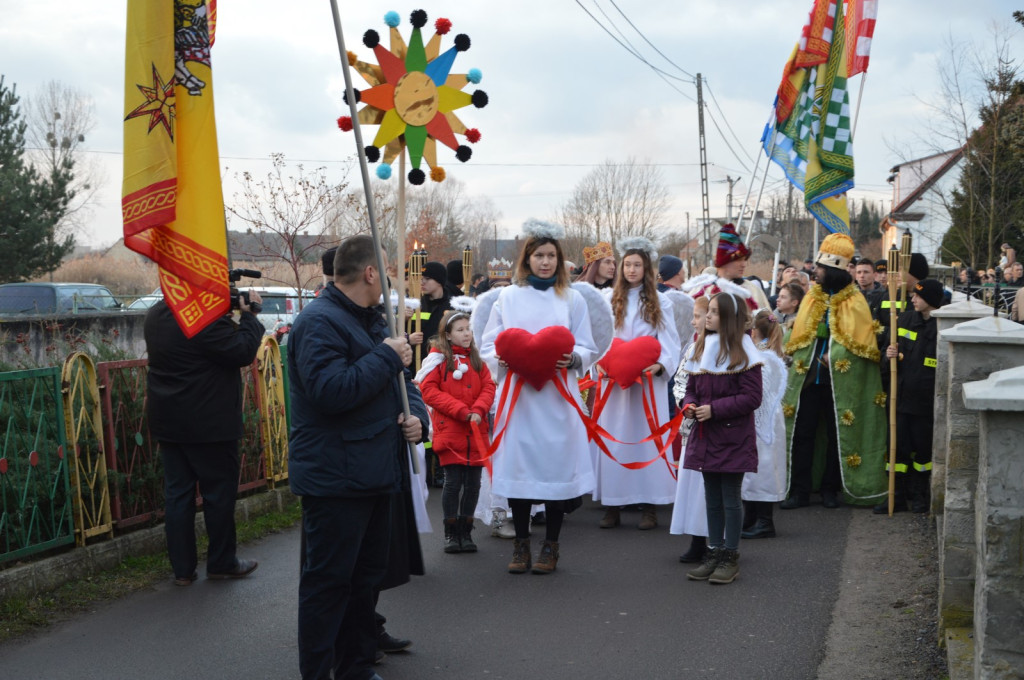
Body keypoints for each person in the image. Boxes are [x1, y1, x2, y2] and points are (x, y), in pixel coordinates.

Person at [288, 235, 427, 680]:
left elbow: (405, 384)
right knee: (329, 584)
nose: (389, 280)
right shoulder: (320, 322)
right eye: (386, 271)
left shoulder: (371, 320)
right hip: (336, 477)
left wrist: (417, 419)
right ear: (370, 273)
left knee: (365, 581)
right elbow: (331, 391)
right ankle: (318, 671)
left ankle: (358, 668)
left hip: (376, 470)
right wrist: (386, 356)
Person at [480, 218, 599, 575]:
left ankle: (551, 544)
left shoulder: (572, 298)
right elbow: (488, 342)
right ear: (527, 259)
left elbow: (587, 344)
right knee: (520, 467)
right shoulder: (508, 297)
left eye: (551, 256)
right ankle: (520, 544)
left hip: (558, 397)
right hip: (519, 398)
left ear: (559, 260)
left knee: (554, 468)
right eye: (538, 255)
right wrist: (501, 357)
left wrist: (574, 358)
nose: (545, 262)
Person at [145, 291, 264, 586]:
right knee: (219, 495)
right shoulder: (201, 316)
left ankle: (182, 571)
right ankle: (222, 562)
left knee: (178, 495)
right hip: (209, 423)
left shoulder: (156, 313)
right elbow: (241, 352)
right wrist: (249, 317)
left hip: (168, 421)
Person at [781, 233, 887, 510]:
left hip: (839, 382)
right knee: (803, 433)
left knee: (834, 433)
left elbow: (861, 343)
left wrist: (835, 353)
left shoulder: (855, 300)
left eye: (821, 268)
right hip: (808, 381)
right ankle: (799, 490)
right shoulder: (811, 298)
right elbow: (800, 337)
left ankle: (831, 489)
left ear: (834, 272)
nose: (816, 272)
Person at [592, 238, 681, 530]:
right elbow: (600, 338)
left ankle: (650, 504)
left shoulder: (660, 301)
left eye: (637, 265)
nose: (631, 270)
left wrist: (661, 365)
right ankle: (613, 504)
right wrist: (603, 363)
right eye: (627, 264)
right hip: (614, 383)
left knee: (646, 439)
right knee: (614, 437)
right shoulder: (608, 299)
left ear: (646, 268)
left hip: (646, 382)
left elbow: (670, 341)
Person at [678, 292, 763, 585]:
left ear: (728, 318)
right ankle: (713, 552)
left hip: (732, 436)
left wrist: (714, 409)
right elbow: (690, 386)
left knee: (730, 498)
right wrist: (688, 405)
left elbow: (752, 397)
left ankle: (730, 555)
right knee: (711, 497)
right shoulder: (699, 347)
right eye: (708, 311)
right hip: (706, 435)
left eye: (714, 312)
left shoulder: (743, 351)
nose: (709, 316)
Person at [417, 310, 496, 553]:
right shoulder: (439, 361)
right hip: (450, 431)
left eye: (469, 329)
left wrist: (479, 409)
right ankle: (451, 532)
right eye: (460, 330)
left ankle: (466, 530)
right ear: (448, 335)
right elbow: (429, 391)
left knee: (473, 484)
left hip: (476, 431)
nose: (466, 334)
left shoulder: (477, 360)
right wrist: (462, 411)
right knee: (453, 482)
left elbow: (488, 387)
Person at [875, 279, 943, 514]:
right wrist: (889, 354)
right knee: (897, 447)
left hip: (925, 401)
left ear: (931, 301)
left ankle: (919, 494)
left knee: (923, 451)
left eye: (918, 296)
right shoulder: (904, 320)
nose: (912, 299)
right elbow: (886, 352)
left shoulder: (942, 327)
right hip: (900, 397)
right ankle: (895, 494)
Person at [741, 310, 789, 539]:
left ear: (753, 332)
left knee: (763, 467)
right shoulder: (764, 354)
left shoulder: (762, 358)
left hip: (762, 417)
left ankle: (764, 520)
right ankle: (750, 516)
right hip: (765, 416)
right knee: (754, 467)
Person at [670, 296, 710, 563]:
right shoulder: (693, 348)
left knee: (711, 489)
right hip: (693, 426)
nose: (692, 321)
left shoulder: (733, 349)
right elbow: (681, 381)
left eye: (697, 316)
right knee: (693, 486)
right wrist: (688, 403)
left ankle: (718, 542)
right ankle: (697, 539)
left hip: (717, 428)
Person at [687, 223, 771, 312]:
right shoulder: (702, 290)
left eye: (744, 260)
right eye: (738, 260)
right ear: (724, 262)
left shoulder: (753, 291)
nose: (743, 264)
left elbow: (769, 323)